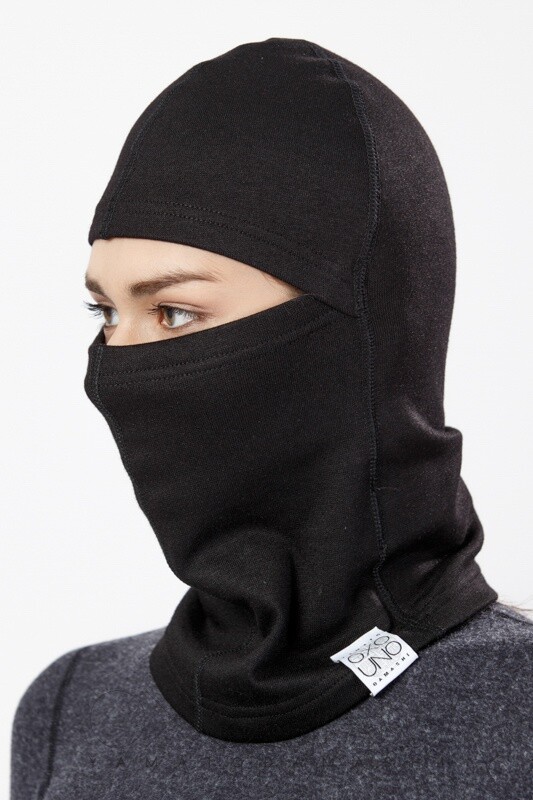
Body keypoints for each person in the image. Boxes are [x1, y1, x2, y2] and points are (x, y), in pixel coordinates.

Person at [10, 36, 533, 800]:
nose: (116, 368)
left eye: (174, 312)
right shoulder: (71, 710)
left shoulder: (515, 710)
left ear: (355, 328)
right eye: (105, 313)